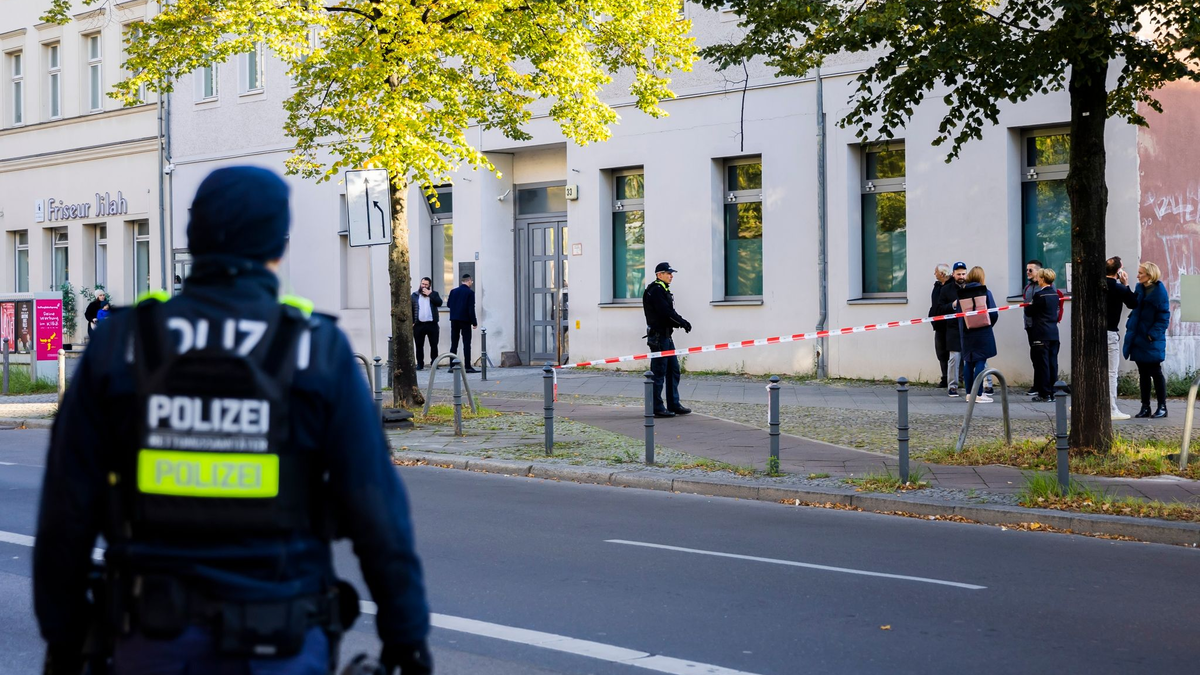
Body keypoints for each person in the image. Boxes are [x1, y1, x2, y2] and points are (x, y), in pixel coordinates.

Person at [33, 167, 432, 675]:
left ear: (194, 238)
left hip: (151, 640)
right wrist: (406, 637)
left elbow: (66, 509)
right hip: (282, 640)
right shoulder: (316, 349)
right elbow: (376, 508)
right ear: (278, 246)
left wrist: (64, 637)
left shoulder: (122, 344)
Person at [643, 262, 692, 417]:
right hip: (658, 337)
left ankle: (674, 404)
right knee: (659, 372)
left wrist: (681, 322)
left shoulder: (663, 289)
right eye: (668, 273)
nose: (671, 276)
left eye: (671, 274)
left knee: (673, 370)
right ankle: (657, 407)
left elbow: (670, 311)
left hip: (666, 336)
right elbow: (666, 313)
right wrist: (682, 322)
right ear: (659, 275)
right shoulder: (656, 291)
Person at [1124, 261, 1170, 418]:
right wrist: (1125, 286)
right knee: (1143, 374)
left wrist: (1152, 335)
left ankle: (1162, 407)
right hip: (1138, 337)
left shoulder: (1159, 293)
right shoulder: (1140, 288)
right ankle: (1145, 407)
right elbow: (1132, 305)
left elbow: (1164, 317)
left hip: (1151, 340)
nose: (1137, 276)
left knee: (1156, 373)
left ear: (1149, 275)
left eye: (1140, 273)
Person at [956, 266, 999, 403]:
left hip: (967, 332)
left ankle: (969, 393)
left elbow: (958, 315)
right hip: (982, 331)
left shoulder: (961, 294)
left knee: (968, 362)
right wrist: (987, 325)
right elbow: (993, 313)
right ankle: (979, 394)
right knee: (980, 361)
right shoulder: (985, 292)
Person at [1106, 256, 1138, 420]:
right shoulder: (1119, 288)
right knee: (1111, 373)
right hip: (1110, 333)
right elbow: (1133, 303)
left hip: (1093, 334)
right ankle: (1112, 408)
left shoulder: (1097, 286)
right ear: (1119, 272)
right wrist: (1126, 284)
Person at [1025, 268, 1060, 402]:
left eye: (1039, 277)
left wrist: (1028, 306)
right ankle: (1053, 391)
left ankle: (1044, 393)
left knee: (1042, 363)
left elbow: (1029, 311)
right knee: (1052, 363)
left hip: (1041, 333)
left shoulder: (1039, 295)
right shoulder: (1055, 294)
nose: (1038, 280)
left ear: (1043, 279)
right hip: (1053, 332)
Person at [935, 262, 969, 396]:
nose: (961, 276)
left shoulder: (970, 287)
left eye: (963, 274)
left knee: (972, 357)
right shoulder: (946, 289)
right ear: (953, 274)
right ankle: (952, 386)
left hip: (969, 327)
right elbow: (940, 309)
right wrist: (952, 305)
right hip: (953, 328)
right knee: (954, 358)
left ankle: (973, 385)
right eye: (958, 274)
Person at [447, 273, 478, 373]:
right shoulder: (470, 293)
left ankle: (452, 366)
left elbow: (448, 304)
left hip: (454, 320)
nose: (471, 283)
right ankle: (467, 366)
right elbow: (471, 308)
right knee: (466, 343)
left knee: (454, 343)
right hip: (465, 320)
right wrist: (474, 322)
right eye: (471, 281)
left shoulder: (453, 291)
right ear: (469, 281)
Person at [411, 277, 443, 370]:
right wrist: (412, 321)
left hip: (432, 324)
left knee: (434, 345)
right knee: (419, 345)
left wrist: (430, 294)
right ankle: (420, 364)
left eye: (426, 284)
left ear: (429, 285)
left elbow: (439, 303)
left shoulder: (434, 294)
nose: (424, 286)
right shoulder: (415, 295)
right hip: (419, 324)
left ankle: (434, 363)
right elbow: (411, 309)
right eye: (422, 284)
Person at [1021, 259, 1043, 396]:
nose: (1027, 272)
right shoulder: (1027, 287)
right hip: (1030, 326)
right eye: (1026, 270)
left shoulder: (1044, 286)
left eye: (1030, 270)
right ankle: (1037, 385)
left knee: (1042, 356)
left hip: (1041, 326)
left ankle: (1044, 385)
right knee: (1034, 356)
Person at [929, 264, 951, 388]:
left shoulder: (952, 286)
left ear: (942, 273)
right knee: (941, 353)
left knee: (954, 352)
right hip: (938, 325)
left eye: (936, 272)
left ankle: (957, 378)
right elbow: (934, 304)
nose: (934, 274)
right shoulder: (937, 286)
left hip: (950, 325)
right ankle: (945, 378)